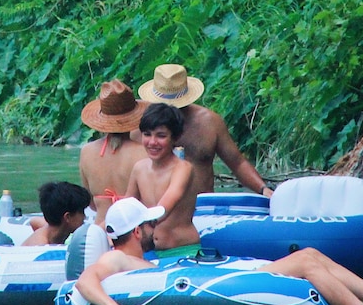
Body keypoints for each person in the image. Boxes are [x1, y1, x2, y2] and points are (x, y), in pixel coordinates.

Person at [76, 197, 363, 305]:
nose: (155, 228)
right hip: (217, 285)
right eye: (150, 223)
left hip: (217, 274)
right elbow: (85, 281)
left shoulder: (142, 257)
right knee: (305, 262)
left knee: (310, 255)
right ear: (138, 231)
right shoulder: (120, 260)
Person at [139, 63, 270, 197]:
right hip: (157, 209)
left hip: (204, 207)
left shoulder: (210, 122)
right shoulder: (141, 124)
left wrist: (263, 189)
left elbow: (237, 162)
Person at [125, 103, 200, 258]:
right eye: (147, 134)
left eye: (161, 136)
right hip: (149, 252)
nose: (152, 142)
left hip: (182, 251)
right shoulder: (139, 168)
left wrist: (142, 223)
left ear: (175, 138)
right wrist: (101, 229)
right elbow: (126, 206)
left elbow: (164, 208)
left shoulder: (183, 168)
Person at [78, 79, 147, 223]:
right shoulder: (143, 152)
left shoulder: (86, 152)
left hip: (100, 229)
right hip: (132, 230)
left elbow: (91, 204)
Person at [21, 181, 93, 246]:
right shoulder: (41, 246)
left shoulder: (50, 228)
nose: (84, 216)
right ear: (67, 217)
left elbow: (34, 221)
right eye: (81, 212)